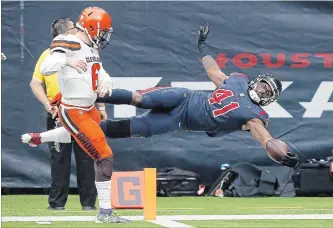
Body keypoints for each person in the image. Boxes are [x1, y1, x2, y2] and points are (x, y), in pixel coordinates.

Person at [22, 24, 299, 169]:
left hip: (180, 121)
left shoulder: (255, 117)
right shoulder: (237, 81)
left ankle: (53, 133)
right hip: (184, 98)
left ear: (268, 100)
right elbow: (214, 72)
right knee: (138, 98)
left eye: (267, 93)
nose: (262, 90)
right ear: (256, 81)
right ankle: (90, 94)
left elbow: (265, 139)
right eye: (263, 85)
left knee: (121, 130)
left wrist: (281, 155)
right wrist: (203, 47)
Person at [29, 7, 128, 223]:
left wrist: (105, 84)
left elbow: (102, 73)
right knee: (104, 154)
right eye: (103, 31)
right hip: (73, 109)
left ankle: (40, 137)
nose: (104, 37)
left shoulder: (91, 48)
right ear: (93, 27)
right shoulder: (69, 41)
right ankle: (105, 213)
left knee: (82, 141)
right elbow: (46, 67)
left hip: (89, 108)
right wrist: (67, 61)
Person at [29, 17, 98, 211]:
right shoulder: (47, 56)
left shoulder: (85, 52)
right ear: (65, 34)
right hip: (58, 113)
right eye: (74, 29)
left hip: (83, 112)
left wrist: (100, 108)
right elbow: (35, 83)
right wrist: (46, 104)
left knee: (86, 157)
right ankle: (57, 204)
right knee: (59, 160)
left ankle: (89, 203)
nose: (78, 31)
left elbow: (93, 80)